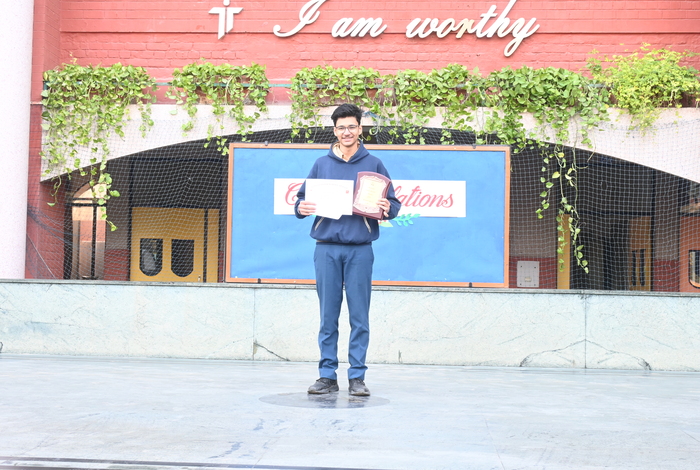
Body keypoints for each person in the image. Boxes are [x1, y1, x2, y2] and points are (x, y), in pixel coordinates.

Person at [294, 103, 401, 396]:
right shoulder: (321, 164)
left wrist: (387, 207)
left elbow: (393, 204)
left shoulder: (374, 164)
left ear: (360, 129)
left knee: (359, 317)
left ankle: (357, 378)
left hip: (360, 250)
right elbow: (301, 200)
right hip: (326, 249)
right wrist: (300, 207)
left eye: (352, 126)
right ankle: (327, 376)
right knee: (328, 317)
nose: (347, 132)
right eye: (341, 127)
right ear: (334, 131)